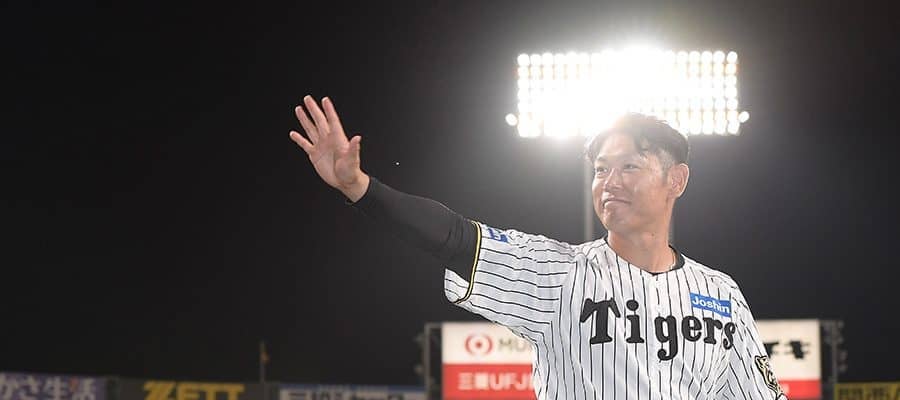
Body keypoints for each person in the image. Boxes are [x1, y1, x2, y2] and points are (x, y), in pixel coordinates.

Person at [289, 95, 786, 400]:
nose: (609, 182)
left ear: (676, 180)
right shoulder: (560, 276)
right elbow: (455, 238)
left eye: (629, 167)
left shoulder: (720, 295)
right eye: (600, 170)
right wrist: (360, 187)